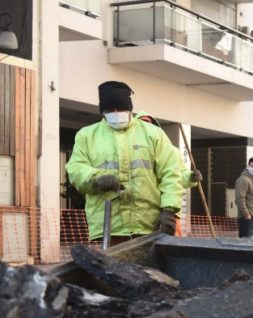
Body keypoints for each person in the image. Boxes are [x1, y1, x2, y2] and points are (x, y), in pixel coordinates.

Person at [66, 81, 184, 243]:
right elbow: (75, 168)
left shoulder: (153, 134)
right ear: (102, 111)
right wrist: (96, 178)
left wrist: (169, 210)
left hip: (149, 224)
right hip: (109, 226)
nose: (115, 113)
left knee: (149, 268)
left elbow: (171, 173)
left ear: (129, 109)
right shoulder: (86, 136)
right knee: (112, 267)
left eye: (120, 109)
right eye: (109, 110)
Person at [235, 157, 253, 237]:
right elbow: (239, 199)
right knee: (245, 242)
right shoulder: (243, 180)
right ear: (248, 166)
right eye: (252, 166)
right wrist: (247, 214)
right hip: (247, 218)